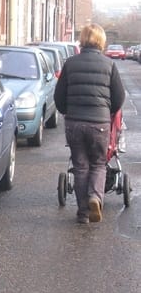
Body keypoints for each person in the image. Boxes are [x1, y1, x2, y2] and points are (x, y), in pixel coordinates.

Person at [54, 23, 126, 224]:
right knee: (98, 164)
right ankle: (96, 197)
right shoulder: (109, 65)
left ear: (82, 40)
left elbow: (59, 96)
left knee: (80, 166)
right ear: (101, 41)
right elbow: (119, 97)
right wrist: (108, 111)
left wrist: (66, 111)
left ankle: (83, 212)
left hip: (74, 123)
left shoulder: (70, 63)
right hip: (99, 123)